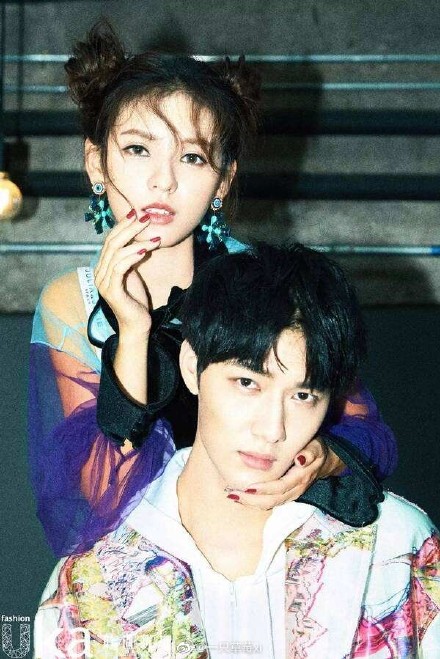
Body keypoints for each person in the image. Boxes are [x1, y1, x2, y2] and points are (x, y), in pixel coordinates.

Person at [28, 21, 396, 559]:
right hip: (151, 570)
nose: (163, 181)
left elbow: (369, 437)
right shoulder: (70, 302)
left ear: (223, 179)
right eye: (138, 149)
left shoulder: (271, 284)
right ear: (95, 162)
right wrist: (133, 330)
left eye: (192, 157)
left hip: (274, 546)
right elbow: (105, 497)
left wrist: (324, 456)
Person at [34, 244, 440, 659]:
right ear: (191, 366)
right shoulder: (92, 583)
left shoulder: (396, 546)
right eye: (247, 383)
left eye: (302, 395)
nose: (272, 429)